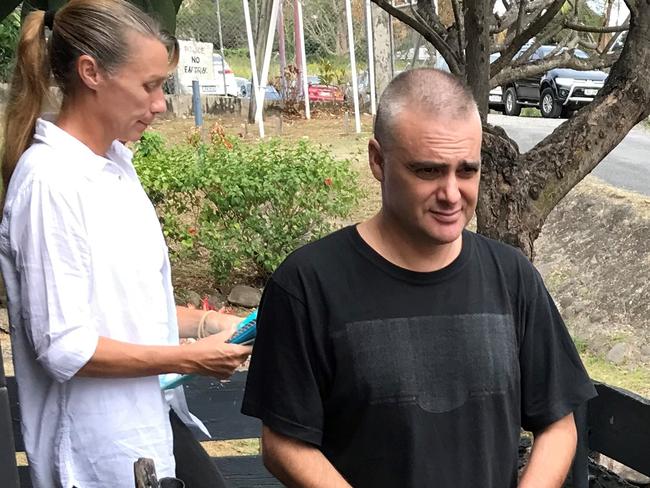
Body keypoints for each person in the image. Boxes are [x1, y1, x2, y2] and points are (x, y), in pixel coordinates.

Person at [241, 68, 597, 488]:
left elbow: (558, 422)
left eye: (466, 171)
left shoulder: (512, 276)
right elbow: (283, 442)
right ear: (378, 160)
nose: (451, 194)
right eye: (428, 171)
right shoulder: (307, 285)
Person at [0, 2, 251, 487]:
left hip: (146, 431)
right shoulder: (50, 183)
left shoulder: (114, 166)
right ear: (91, 72)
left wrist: (211, 324)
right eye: (149, 85)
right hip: (96, 456)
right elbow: (65, 347)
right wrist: (190, 358)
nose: (160, 104)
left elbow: (125, 304)